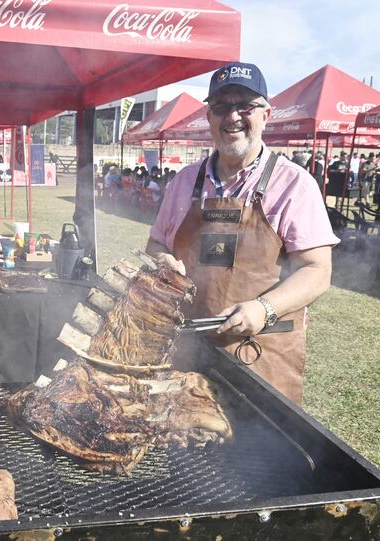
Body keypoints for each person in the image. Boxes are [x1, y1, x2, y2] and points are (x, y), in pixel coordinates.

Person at [145, 61, 339, 404]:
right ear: (209, 117)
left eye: (244, 105)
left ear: (266, 114)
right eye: (221, 107)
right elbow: (157, 242)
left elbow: (318, 270)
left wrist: (263, 309)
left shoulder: (294, 184)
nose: (232, 116)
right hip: (186, 356)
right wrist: (162, 260)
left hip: (261, 357)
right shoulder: (183, 182)